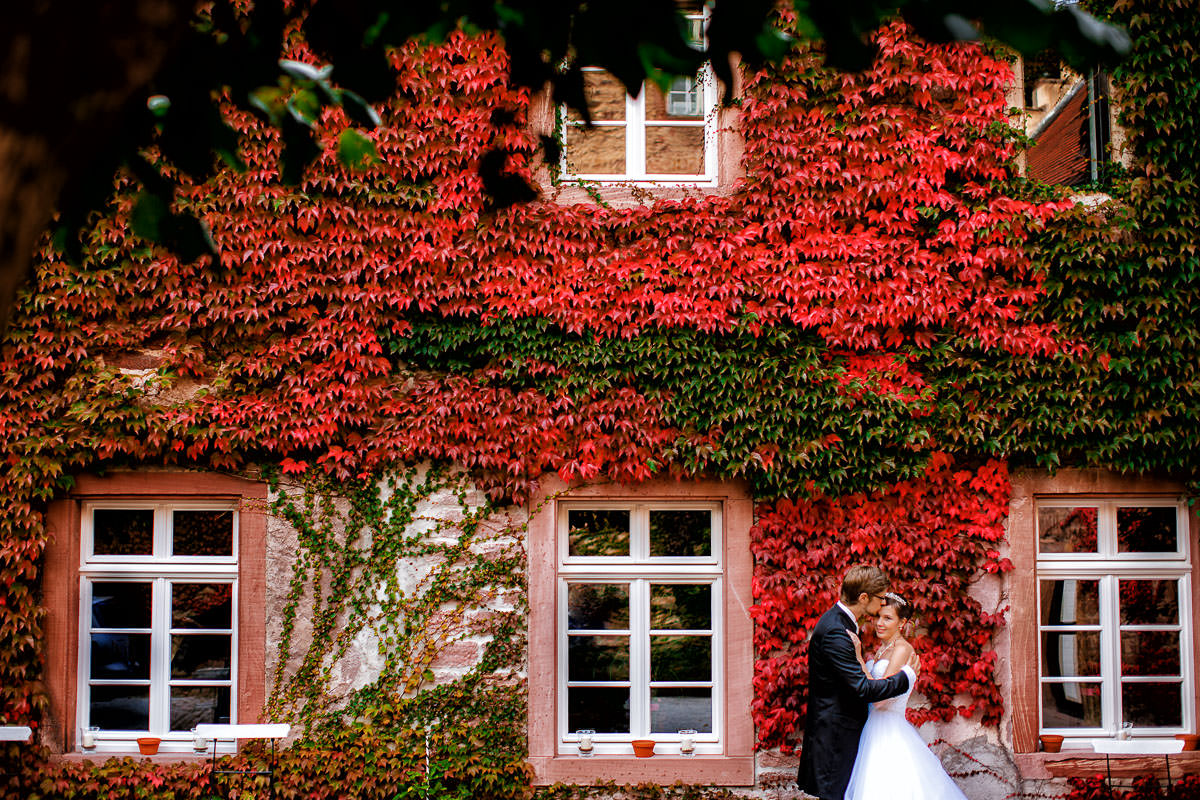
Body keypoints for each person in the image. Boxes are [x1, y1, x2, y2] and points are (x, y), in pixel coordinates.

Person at [797, 565, 919, 800]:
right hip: (836, 736)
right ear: (864, 598)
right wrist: (906, 678)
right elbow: (863, 688)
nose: (883, 604)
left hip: (854, 732)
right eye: (881, 598)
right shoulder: (836, 630)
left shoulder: (842, 622)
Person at [843, 593, 967, 800]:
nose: (879, 623)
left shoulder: (902, 649)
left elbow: (880, 700)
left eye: (888, 618)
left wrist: (859, 659)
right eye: (878, 617)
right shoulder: (883, 649)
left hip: (889, 731)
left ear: (902, 622)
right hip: (873, 729)